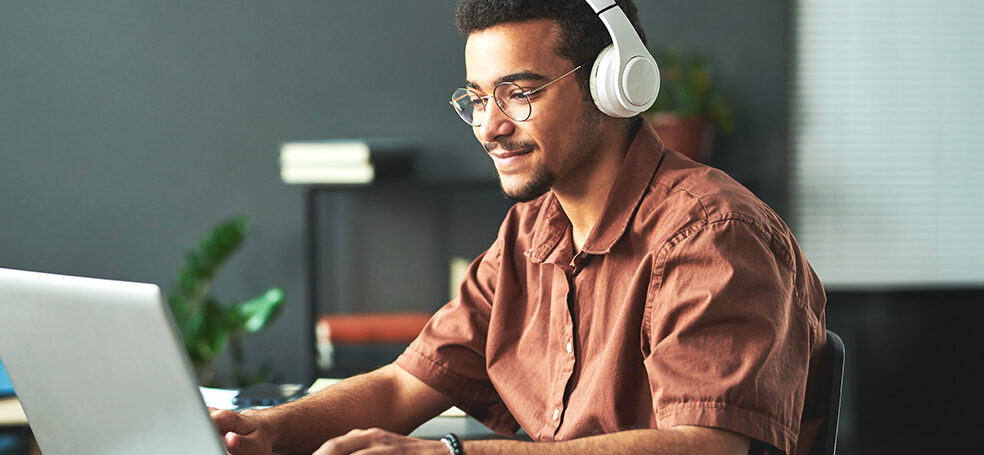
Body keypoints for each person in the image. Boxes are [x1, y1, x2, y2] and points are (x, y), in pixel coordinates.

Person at [212, 1, 826, 454]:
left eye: (519, 93)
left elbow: (706, 448)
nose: (489, 127)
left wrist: (453, 454)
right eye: (477, 99)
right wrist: (269, 429)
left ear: (614, 86)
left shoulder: (713, 232)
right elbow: (406, 386)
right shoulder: (528, 234)